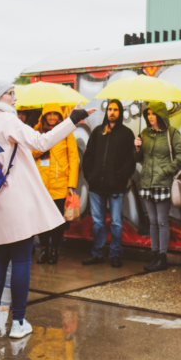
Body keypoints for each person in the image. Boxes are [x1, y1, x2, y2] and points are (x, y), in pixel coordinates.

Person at [0, 79, 91, 339]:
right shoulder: (7, 121)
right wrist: (73, 120)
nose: (15, 98)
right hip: (15, 200)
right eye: (10, 93)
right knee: (21, 260)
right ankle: (18, 323)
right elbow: (41, 141)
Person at [81, 99, 136, 267]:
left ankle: (115, 253)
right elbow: (88, 157)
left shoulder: (126, 134)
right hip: (96, 187)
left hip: (116, 187)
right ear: (107, 112)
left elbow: (130, 161)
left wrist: (119, 178)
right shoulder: (98, 132)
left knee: (116, 222)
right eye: (110, 109)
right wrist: (91, 176)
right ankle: (97, 253)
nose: (112, 112)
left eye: (116, 110)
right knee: (97, 222)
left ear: (120, 113)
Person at [134, 102, 181, 271]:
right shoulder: (145, 134)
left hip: (163, 182)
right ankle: (154, 256)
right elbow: (138, 158)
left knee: (162, 221)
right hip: (147, 182)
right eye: (148, 114)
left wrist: (167, 170)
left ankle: (162, 258)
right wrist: (137, 148)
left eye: (153, 114)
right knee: (152, 221)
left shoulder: (172, 133)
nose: (150, 117)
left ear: (160, 115)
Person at [33, 103, 79, 265]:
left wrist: (71, 184)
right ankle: (44, 250)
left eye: (55, 114)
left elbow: (73, 158)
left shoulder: (66, 132)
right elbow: (30, 153)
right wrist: (43, 148)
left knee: (58, 222)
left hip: (60, 184)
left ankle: (55, 251)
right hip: (41, 185)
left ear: (60, 117)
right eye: (49, 114)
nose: (52, 117)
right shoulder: (36, 131)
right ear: (44, 115)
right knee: (43, 220)